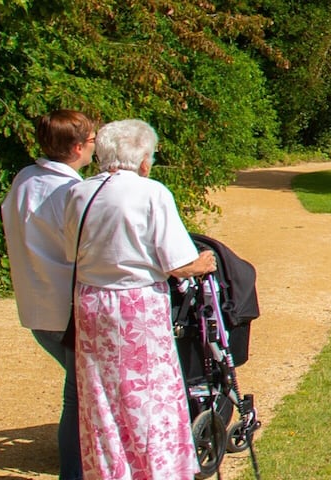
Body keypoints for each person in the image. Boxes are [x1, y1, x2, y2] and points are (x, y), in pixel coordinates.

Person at [60, 119, 216, 479]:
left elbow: (72, 252)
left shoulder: (80, 193)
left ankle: (111, 471)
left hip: (90, 302)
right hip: (135, 305)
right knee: (148, 396)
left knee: (101, 397)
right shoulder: (151, 193)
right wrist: (202, 263)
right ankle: (157, 470)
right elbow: (177, 263)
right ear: (144, 160)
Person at [0, 109, 95, 480]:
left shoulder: (24, 179)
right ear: (77, 148)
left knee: (82, 391)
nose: (95, 147)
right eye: (92, 141)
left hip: (35, 306)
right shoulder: (72, 192)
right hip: (67, 309)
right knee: (79, 397)